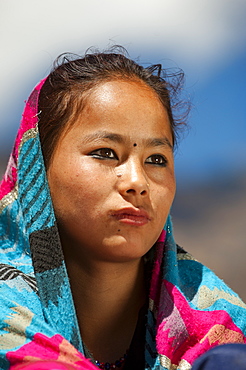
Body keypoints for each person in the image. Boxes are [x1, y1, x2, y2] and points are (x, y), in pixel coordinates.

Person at [0, 48, 246, 370]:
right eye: (105, 152)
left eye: (156, 159)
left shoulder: (222, 332)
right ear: (37, 170)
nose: (137, 182)